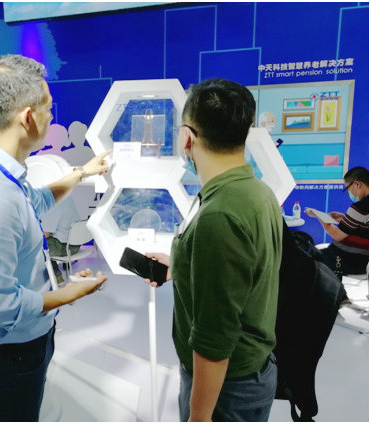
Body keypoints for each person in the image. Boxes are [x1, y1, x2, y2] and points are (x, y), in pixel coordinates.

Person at [0, 54, 110, 422]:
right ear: (27, 117)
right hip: (11, 357)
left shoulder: (1, 172)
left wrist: (82, 173)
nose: (51, 117)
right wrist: (70, 293)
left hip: (24, 346)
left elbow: (36, 201)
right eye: (48, 108)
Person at [145, 79, 283, 421]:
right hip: (249, 375)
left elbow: (214, 339)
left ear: (187, 137)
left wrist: (199, 416)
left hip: (227, 388)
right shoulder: (256, 192)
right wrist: (180, 266)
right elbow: (242, 275)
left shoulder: (219, 215)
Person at [306, 167, 369, 277]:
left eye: (348, 189)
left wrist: (318, 216)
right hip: (360, 259)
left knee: (305, 258)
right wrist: (345, 218)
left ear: (357, 184)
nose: (350, 193)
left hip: (348, 260)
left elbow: (337, 235)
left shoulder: (361, 207)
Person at [42, 195, 81, 284]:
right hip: (75, 246)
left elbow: (45, 235)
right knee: (59, 233)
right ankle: (66, 266)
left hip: (65, 249)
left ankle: (57, 277)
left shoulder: (52, 205)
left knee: (41, 244)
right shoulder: (68, 198)